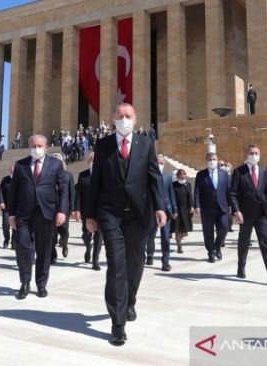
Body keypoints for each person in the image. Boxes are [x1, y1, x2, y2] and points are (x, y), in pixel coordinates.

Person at [85, 103, 166, 346]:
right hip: (111, 214)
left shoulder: (146, 144)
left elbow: (155, 178)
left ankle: (130, 300)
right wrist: (91, 214)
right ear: (112, 119)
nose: (123, 119)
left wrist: (160, 207)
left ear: (136, 118)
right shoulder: (103, 145)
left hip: (140, 214)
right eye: (119, 116)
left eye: (128, 116)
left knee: (136, 262)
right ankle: (117, 323)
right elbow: (95, 181)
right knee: (116, 265)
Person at [8, 134, 68, 300]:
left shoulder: (55, 164)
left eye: (40, 146)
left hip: (46, 212)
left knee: (44, 250)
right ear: (29, 147)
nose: (37, 148)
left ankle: (41, 284)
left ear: (46, 147)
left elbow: (63, 189)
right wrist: (11, 214)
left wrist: (62, 210)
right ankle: (25, 283)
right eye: (34, 146)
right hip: (24, 214)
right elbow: (13, 192)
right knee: (23, 248)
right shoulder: (20, 165)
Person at [229, 144, 267, 286]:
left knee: (265, 244)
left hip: (261, 215)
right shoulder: (239, 172)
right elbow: (233, 194)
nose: (254, 155)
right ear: (246, 154)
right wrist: (236, 211)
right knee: (244, 242)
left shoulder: (264, 172)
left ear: (259, 155)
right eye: (251, 153)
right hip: (245, 214)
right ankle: (241, 266)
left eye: (256, 153)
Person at [194, 153, 230, 262]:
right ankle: (211, 252)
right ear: (206, 160)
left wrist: (231, 205)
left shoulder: (224, 174)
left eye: (214, 159)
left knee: (224, 227)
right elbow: (197, 192)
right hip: (207, 207)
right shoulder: (201, 175)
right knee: (208, 231)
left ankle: (217, 246)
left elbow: (228, 190)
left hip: (222, 207)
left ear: (217, 160)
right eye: (210, 159)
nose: (212, 161)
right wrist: (197, 205)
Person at [73, 152, 103, 270]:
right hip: (86, 210)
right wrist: (76, 209)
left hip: (100, 210)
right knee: (86, 234)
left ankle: (95, 261)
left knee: (99, 235)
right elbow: (78, 194)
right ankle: (88, 248)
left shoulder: (104, 175)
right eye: (92, 160)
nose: (94, 163)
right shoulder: (83, 175)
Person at [146, 155, 176, 271]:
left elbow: (171, 193)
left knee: (165, 237)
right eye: (158, 162)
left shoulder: (168, 177)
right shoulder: (148, 176)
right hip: (152, 210)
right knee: (150, 235)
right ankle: (149, 255)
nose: (160, 164)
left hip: (166, 210)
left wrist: (174, 209)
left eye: (162, 163)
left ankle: (165, 261)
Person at [50, 153, 74, 263]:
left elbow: (71, 193)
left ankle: (64, 244)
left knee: (64, 230)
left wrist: (72, 208)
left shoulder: (68, 175)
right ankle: (53, 254)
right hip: (50, 208)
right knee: (52, 233)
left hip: (64, 208)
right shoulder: (47, 174)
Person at [172, 169, 193, 254]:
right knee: (177, 228)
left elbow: (190, 196)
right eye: (180, 174)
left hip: (186, 209)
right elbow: (172, 197)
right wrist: (173, 209)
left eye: (183, 174)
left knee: (184, 229)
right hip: (177, 209)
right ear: (177, 176)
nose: (182, 176)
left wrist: (191, 206)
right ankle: (179, 245)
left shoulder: (188, 184)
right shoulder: (173, 185)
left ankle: (180, 239)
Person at [0, 165, 15, 249]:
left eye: (14, 172)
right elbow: (0, 191)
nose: (12, 173)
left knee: (15, 225)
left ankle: (14, 242)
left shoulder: (20, 179)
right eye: (11, 172)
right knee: (5, 224)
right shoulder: (5, 179)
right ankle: (6, 239)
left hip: (16, 207)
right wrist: (1, 202)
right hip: (6, 207)